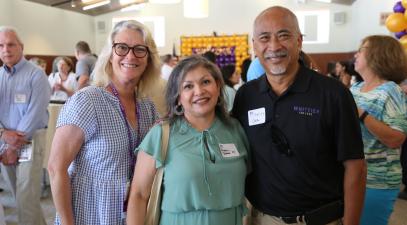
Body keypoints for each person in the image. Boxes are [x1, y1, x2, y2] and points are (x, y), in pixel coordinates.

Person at [232, 6, 366, 225]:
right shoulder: (247, 95)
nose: (274, 46)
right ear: (254, 46)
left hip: (320, 219)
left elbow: (355, 167)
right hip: (261, 219)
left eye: (284, 35)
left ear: (299, 41)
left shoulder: (333, 94)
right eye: (264, 38)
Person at [47, 20, 162, 225]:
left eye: (139, 49)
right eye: (122, 47)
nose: (130, 55)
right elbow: (56, 168)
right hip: (90, 214)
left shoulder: (147, 106)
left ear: (148, 60)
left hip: (131, 213)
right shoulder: (87, 101)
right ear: (109, 55)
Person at [127, 55, 250, 225]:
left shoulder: (236, 130)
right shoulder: (160, 135)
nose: (199, 91)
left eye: (206, 82)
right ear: (177, 97)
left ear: (218, 85)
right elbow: (139, 195)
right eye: (188, 86)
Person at [351, 35, 407, 225]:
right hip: (350, 176)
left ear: (379, 55)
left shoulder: (391, 90)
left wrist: (361, 113)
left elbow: (396, 139)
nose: (356, 53)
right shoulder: (355, 88)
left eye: (362, 49)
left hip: (377, 180)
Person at [0, 26, 51, 225]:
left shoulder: (36, 75)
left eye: (11, 44)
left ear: (21, 47)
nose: (6, 49)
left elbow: (35, 112)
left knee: (25, 197)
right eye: (1, 45)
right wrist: (4, 136)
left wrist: (14, 145)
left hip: (30, 140)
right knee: (19, 195)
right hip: (4, 140)